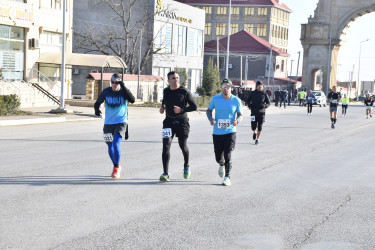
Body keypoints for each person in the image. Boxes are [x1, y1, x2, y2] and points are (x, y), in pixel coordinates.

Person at [94, 73, 135, 178]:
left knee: (116, 143)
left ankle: (116, 168)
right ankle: (116, 165)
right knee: (110, 146)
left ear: (120, 83)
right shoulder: (106, 91)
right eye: (112, 82)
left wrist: (124, 86)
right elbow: (98, 102)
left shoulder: (123, 92)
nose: (114, 84)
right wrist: (96, 109)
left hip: (121, 122)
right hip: (108, 123)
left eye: (116, 82)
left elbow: (132, 100)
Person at [159, 71, 197, 182]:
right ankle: (165, 173)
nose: (176, 80)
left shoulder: (184, 91)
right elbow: (165, 102)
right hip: (168, 122)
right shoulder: (166, 91)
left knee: (183, 146)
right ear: (168, 81)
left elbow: (194, 106)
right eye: (173, 78)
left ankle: (186, 165)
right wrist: (162, 107)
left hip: (182, 122)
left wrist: (182, 110)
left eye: (177, 78)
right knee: (166, 145)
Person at [206, 79, 243, 186]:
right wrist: (211, 119)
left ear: (231, 88)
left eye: (227, 87)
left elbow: (240, 114)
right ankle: (221, 164)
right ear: (221, 88)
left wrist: (237, 120)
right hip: (217, 132)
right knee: (218, 157)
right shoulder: (215, 99)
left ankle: (227, 177)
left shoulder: (236, 101)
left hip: (230, 131)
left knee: (227, 153)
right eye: (223, 86)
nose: (225, 89)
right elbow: (208, 110)